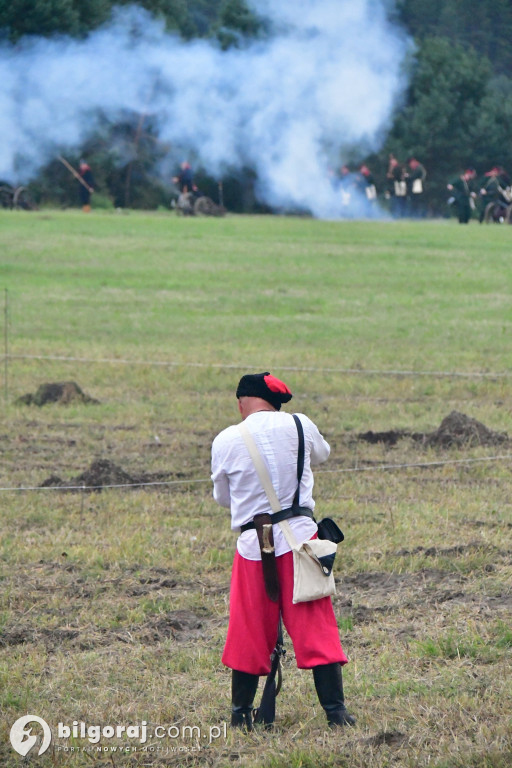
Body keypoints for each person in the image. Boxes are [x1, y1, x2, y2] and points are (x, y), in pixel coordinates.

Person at [211, 372, 354, 730]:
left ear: (242, 402)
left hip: (253, 547)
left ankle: (240, 715)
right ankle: (337, 714)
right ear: (275, 403)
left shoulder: (226, 438)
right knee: (316, 627)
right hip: (302, 543)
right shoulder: (301, 424)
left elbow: (222, 498)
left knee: (248, 630)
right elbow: (322, 454)